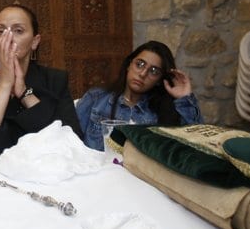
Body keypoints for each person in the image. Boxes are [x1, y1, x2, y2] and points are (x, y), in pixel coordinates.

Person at [0, 4, 83, 161]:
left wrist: (24, 93)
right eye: (1, 31)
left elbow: (73, 143)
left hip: (44, 170)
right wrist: (4, 85)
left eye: (18, 31)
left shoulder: (55, 80)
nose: (8, 38)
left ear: (35, 41)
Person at [76, 40, 204, 151]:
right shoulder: (96, 98)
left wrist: (184, 98)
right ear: (129, 65)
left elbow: (198, 144)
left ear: (159, 80)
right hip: (96, 170)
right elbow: (70, 140)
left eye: (153, 71)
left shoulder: (164, 113)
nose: (143, 74)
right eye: (140, 64)